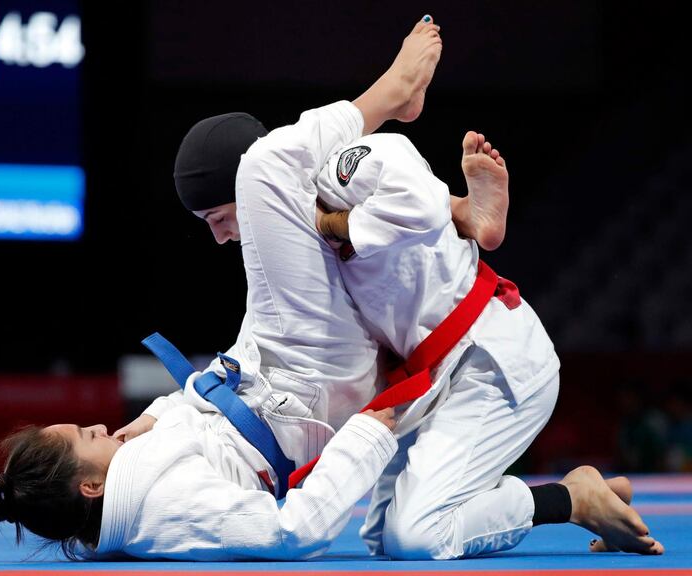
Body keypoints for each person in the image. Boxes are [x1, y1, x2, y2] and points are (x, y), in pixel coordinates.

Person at [153, 14, 664, 558]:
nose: (220, 236)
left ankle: (574, 499)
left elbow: (412, 198)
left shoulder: (339, 171)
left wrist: (339, 227)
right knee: (380, 539)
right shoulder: (289, 253)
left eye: (217, 217)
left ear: (246, 183)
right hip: (425, 379)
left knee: (418, 536)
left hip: (488, 358)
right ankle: (465, 213)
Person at [0, 16, 439, 561]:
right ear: (89, 487)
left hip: (272, 374)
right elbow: (292, 532)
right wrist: (368, 436)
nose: (100, 425)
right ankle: (392, 95)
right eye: (85, 435)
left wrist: (162, 414)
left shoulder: (127, 476)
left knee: (293, 193)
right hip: (309, 384)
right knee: (262, 167)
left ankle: (453, 207)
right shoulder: (163, 506)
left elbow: (202, 432)